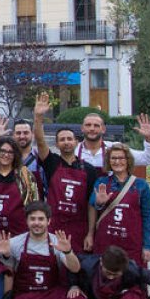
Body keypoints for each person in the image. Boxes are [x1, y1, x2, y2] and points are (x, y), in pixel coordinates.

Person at [1, 202, 87, 299]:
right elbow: (8, 273)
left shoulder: (57, 242)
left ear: (49, 221)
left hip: (51, 295)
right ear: (26, 221)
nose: (37, 223)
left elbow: (75, 268)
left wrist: (68, 252)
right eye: (33, 219)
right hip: (26, 297)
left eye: (41, 219)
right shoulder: (15, 243)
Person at [33, 93, 98, 252]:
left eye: (69, 139)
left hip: (79, 229)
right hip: (54, 226)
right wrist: (38, 117)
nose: (66, 142)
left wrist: (90, 233)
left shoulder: (88, 169)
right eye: (62, 139)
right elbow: (40, 140)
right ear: (57, 143)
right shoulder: (52, 162)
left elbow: (92, 205)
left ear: (76, 142)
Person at [89, 145, 150, 267]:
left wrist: (148, 246)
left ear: (128, 160)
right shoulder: (102, 182)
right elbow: (93, 202)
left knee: (133, 281)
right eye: (113, 158)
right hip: (105, 242)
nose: (117, 161)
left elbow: (148, 217)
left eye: (121, 158)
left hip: (131, 244)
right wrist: (99, 202)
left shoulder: (141, 185)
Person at [76, 113, 150, 170]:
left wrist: (148, 138)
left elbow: (149, 159)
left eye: (96, 125)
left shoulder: (116, 148)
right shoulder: (73, 150)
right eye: (88, 125)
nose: (92, 129)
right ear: (82, 128)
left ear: (103, 129)